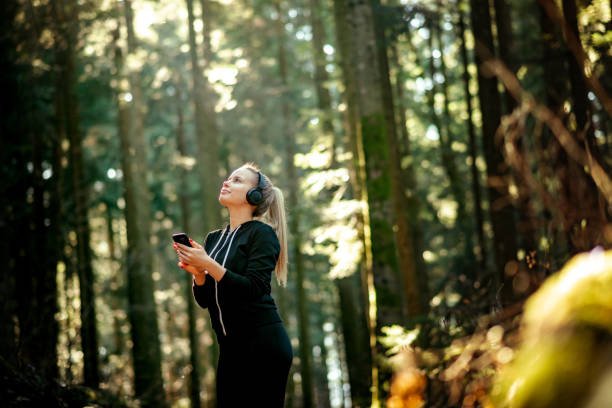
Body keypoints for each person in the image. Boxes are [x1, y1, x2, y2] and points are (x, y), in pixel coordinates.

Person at [173, 163, 293, 407]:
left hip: (264, 344)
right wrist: (198, 273)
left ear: (254, 196)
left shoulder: (262, 234)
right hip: (229, 349)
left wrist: (208, 263)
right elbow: (206, 300)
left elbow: (254, 288)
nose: (227, 182)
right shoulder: (214, 239)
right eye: (228, 178)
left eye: (237, 180)